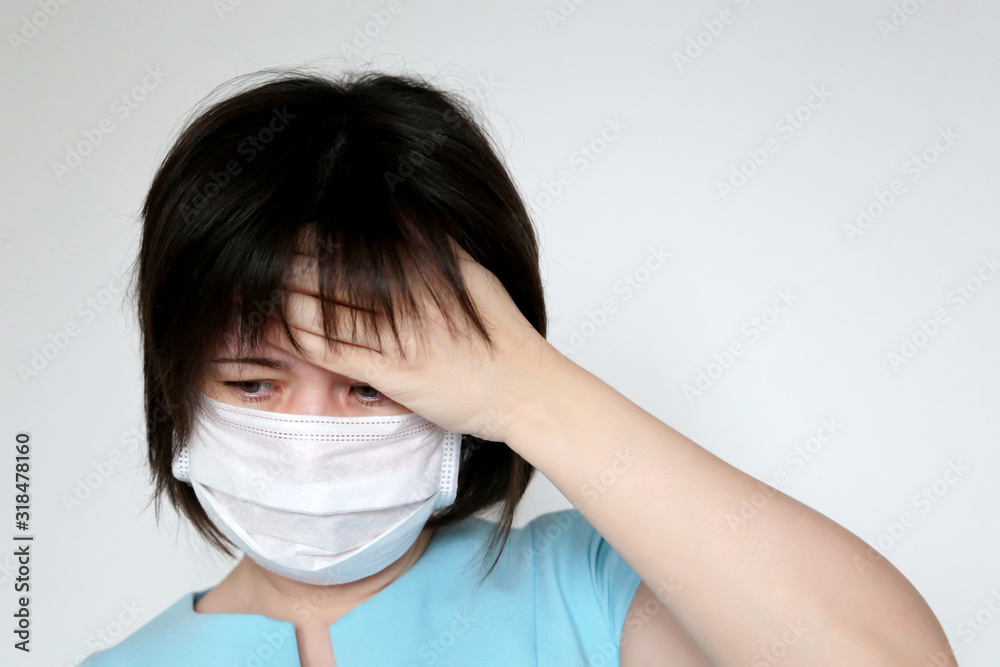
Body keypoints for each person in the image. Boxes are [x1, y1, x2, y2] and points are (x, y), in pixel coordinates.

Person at [82, 66, 955, 666]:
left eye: (372, 382)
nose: (312, 436)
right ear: (177, 389)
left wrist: (527, 390)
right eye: (253, 382)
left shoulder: (589, 592)